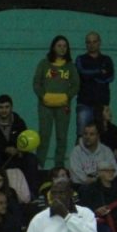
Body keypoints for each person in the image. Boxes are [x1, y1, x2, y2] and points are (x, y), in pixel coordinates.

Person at [33, 35, 79, 170]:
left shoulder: (70, 66)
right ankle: (39, 164)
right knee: (44, 135)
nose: (62, 48)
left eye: (65, 46)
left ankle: (59, 166)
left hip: (63, 106)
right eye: (59, 45)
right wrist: (43, 96)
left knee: (62, 136)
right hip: (45, 106)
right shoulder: (44, 63)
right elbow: (36, 83)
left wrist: (67, 97)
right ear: (53, 47)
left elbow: (76, 85)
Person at [0, 95, 41, 195]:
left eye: (6, 107)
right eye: (1, 107)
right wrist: (5, 149)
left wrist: (21, 151)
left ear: (11, 107)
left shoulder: (19, 122)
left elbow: (24, 140)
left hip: (16, 156)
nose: (4, 110)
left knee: (32, 159)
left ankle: (33, 194)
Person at [75, 31, 114, 138]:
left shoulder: (107, 59)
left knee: (103, 135)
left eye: (94, 41)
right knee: (82, 134)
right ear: (85, 44)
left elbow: (110, 78)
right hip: (84, 103)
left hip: (102, 104)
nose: (91, 44)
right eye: (88, 42)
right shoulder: (80, 59)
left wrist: (90, 75)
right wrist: (100, 72)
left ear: (99, 42)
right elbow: (82, 73)